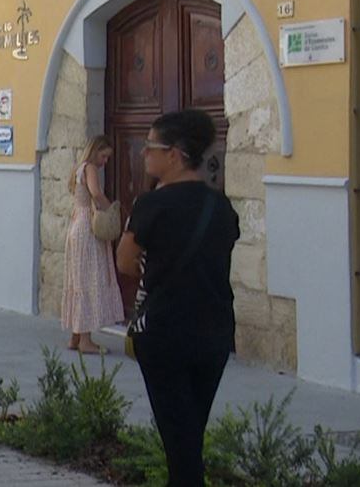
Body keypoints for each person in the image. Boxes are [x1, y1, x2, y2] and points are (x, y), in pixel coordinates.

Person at [117, 110, 240, 487]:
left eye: (151, 147)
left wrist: (155, 269)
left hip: (166, 333)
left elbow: (125, 262)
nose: (144, 154)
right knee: (190, 433)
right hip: (214, 333)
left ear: (174, 155)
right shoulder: (221, 207)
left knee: (180, 441)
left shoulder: (151, 205)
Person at [62, 135, 124, 354]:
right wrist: (112, 209)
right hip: (88, 229)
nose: (105, 161)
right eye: (104, 156)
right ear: (95, 150)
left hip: (76, 226)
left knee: (79, 279)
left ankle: (76, 337)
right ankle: (86, 341)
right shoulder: (90, 168)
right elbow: (96, 194)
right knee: (89, 279)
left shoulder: (79, 168)